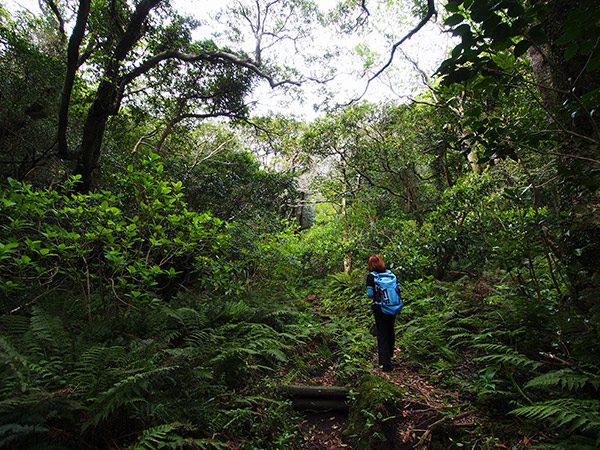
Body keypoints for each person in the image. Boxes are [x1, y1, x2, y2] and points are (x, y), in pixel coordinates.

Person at [366, 254, 397, 372]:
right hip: (392, 307)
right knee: (390, 330)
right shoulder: (390, 274)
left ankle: (386, 364)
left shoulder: (371, 277)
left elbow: (370, 294)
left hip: (379, 308)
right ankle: (389, 355)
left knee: (382, 333)